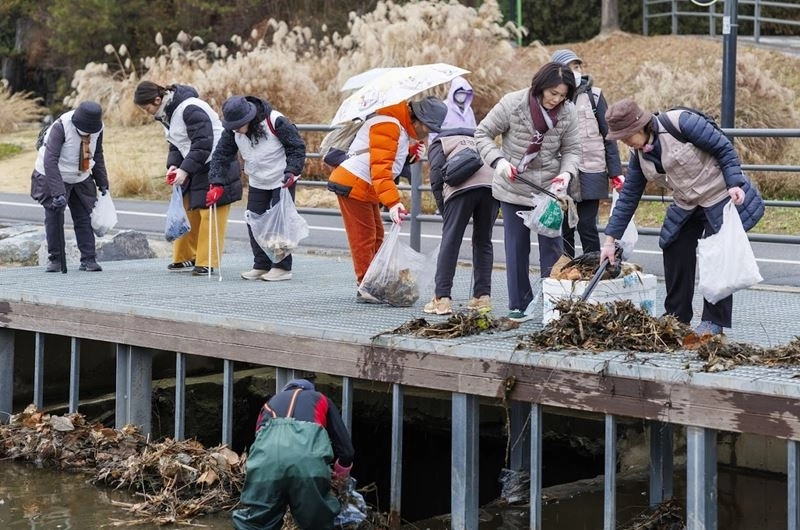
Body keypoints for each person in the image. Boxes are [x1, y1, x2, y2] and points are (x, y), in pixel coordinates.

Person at [599, 98, 764, 336]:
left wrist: (734, 184)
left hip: (718, 195)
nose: (624, 142)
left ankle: (713, 322)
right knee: (673, 245)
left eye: (626, 135)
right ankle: (677, 315)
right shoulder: (639, 156)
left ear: (641, 125)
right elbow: (629, 197)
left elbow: (724, 148)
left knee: (717, 255)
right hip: (686, 202)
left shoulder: (682, 123)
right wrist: (610, 240)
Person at [475, 62, 580, 322]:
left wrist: (566, 174)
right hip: (514, 185)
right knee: (516, 247)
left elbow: (573, 150)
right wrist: (498, 161)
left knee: (553, 250)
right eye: (552, 93)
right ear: (540, 86)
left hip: (549, 189)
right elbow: (482, 133)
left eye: (562, 95)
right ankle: (519, 304)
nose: (556, 100)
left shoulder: (568, 113)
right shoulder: (512, 104)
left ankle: (554, 305)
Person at [327, 96, 444, 302]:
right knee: (364, 237)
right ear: (416, 120)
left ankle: (374, 281)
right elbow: (380, 169)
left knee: (376, 235)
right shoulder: (388, 124)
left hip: (364, 185)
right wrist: (393, 202)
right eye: (426, 128)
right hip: (355, 184)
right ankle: (365, 285)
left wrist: (410, 152)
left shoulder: (396, 125)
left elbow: (387, 153)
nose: (425, 133)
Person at [133, 81, 242, 276]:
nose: (146, 112)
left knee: (210, 212)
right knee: (187, 209)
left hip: (216, 162)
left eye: (146, 107)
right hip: (195, 162)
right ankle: (185, 256)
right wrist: (174, 166)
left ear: (157, 99)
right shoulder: (166, 113)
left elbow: (203, 143)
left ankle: (207, 261)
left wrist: (185, 170)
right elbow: (176, 143)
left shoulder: (190, 108)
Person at [232, 378, 355, 530]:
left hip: (266, 463)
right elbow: (346, 451)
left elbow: (259, 440)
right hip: (307, 465)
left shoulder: (269, 403)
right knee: (316, 522)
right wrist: (340, 476)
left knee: (258, 522)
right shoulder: (321, 399)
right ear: (310, 390)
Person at [209, 95, 307, 282]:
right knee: (254, 220)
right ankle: (261, 264)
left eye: (239, 124)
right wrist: (216, 182)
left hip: (282, 178)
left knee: (281, 222)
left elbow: (296, 147)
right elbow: (221, 155)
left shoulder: (275, 121)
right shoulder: (233, 131)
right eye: (233, 126)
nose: (236, 129)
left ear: (250, 118)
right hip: (257, 180)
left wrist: (292, 171)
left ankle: (281, 267)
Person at [550, 49, 623, 258]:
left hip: (592, 170)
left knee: (587, 226)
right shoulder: (552, 98)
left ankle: (592, 271)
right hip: (562, 173)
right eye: (570, 67)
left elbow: (608, 135)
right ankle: (565, 272)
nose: (576, 71)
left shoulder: (595, 96)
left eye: (577, 66)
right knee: (564, 228)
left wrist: (615, 172)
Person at [425, 116, 499, 315]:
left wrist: (444, 211)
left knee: (451, 240)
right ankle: (482, 298)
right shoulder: (481, 139)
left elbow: (436, 178)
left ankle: (442, 298)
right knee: (484, 241)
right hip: (491, 186)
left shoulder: (439, 143)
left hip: (461, 189)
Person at [30, 101, 109, 272]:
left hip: (81, 174)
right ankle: (56, 259)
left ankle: (88, 259)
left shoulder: (98, 128)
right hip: (54, 174)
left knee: (84, 217)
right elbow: (49, 161)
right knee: (54, 217)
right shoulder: (61, 127)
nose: (88, 133)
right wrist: (58, 193)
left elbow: (98, 153)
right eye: (85, 130)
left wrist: (102, 182)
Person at [429, 76, 477, 144]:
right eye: (459, 93)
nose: (462, 96)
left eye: (464, 93)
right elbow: (433, 130)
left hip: (467, 147)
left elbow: (474, 130)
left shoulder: (469, 110)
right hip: (446, 146)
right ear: (453, 92)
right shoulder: (442, 107)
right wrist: (434, 146)